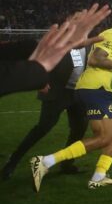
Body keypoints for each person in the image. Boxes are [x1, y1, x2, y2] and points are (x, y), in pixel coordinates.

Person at [30, 6, 112, 191]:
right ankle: (45, 162)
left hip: (102, 90)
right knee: (103, 137)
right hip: (93, 89)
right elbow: (95, 60)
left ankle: (99, 176)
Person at [2, 46, 88, 179]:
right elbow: (40, 62)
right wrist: (42, 81)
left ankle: (67, 164)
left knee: (80, 128)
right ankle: (12, 163)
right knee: (43, 128)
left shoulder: (88, 45)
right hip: (57, 92)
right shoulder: (61, 43)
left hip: (78, 92)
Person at [0, 4, 111, 98]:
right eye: (76, 19)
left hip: (79, 91)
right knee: (46, 123)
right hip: (56, 92)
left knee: (79, 124)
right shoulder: (54, 37)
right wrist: (40, 74)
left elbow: (11, 53)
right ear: (68, 19)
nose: (79, 23)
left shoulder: (86, 42)